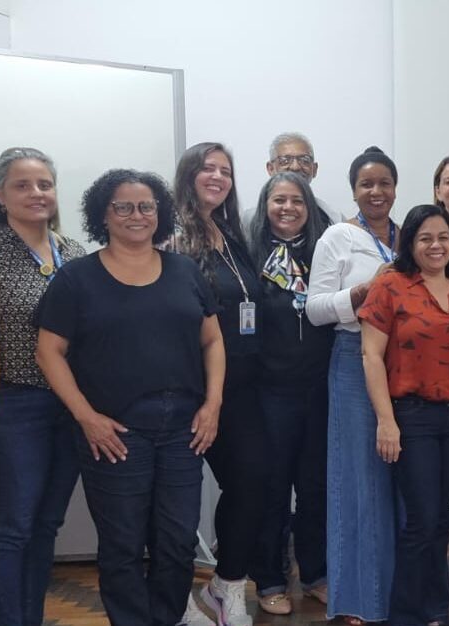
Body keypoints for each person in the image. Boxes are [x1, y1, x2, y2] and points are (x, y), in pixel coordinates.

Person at [35, 168, 224, 626]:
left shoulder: (184, 271)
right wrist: (86, 417)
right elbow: (48, 352)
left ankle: (166, 618)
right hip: (116, 430)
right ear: (104, 214)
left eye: (146, 206)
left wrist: (213, 405)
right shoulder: (77, 278)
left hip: (183, 427)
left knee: (177, 540)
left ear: (158, 212)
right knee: (122, 543)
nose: (136, 215)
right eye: (123, 207)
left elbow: (213, 341)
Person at [0, 147, 88, 626]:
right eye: (23, 185)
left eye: (45, 185)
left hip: (69, 406)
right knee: (10, 529)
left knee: (45, 528)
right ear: (0, 194)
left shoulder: (74, 253)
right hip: (9, 408)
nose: (37, 194)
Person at [359, 204, 449, 626]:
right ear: (410, 243)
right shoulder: (390, 286)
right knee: (422, 519)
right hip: (411, 416)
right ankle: (405, 615)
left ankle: (436, 611)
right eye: (425, 238)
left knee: (436, 524)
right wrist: (386, 420)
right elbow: (371, 356)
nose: (436, 246)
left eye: (443, 238)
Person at [168, 142, 267, 626]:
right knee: (176, 501)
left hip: (241, 388)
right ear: (188, 175)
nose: (217, 177)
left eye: (225, 170)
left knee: (252, 483)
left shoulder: (230, 231)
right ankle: (176, 596)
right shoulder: (170, 234)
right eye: (207, 168)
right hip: (189, 388)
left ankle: (225, 586)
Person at [306, 146, 402, 625]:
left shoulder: (410, 237)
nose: (376, 192)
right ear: (354, 191)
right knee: (357, 481)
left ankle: (394, 596)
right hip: (354, 358)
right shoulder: (337, 237)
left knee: (398, 484)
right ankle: (354, 602)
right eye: (367, 184)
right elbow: (315, 308)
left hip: (406, 363)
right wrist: (361, 293)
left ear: (395, 188)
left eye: (384, 183)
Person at [245, 172, 336, 614]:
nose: (288, 208)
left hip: (319, 389)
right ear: (265, 205)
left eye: (296, 200)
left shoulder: (326, 250)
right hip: (269, 392)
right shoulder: (248, 252)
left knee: (315, 486)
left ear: (309, 205)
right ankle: (269, 580)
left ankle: (316, 572)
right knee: (273, 488)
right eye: (278, 199)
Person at [264, 131, 345, 225]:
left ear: (314, 169)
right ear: (270, 169)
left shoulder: (333, 218)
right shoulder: (249, 221)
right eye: (285, 160)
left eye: (304, 160)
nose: (295, 167)